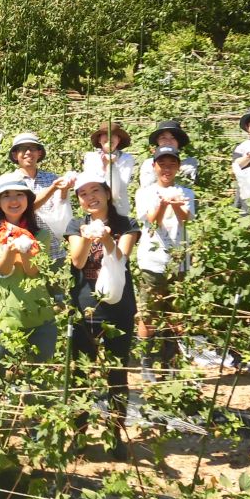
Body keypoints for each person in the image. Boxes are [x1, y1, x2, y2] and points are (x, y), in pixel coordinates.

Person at [65, 175, 140, 460]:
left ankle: (115, 436)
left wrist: (107, 238)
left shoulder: (126, 224)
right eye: (83, 194)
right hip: (85, 307)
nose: (89, 197)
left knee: (117, 374)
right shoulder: (76, 225)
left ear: (107, 193)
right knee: (82, 372)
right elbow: (78, 261)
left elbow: (121, 259)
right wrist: (86, 237)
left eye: (95, 190)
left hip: (119, 308)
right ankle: (79, 434)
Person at [134, 146, 196, 380]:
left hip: (180, 261)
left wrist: (176, 204)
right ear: (154, 167)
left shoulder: (186, 192)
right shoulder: (145, 193)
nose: (167, 169)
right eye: (162, 165)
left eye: (172, 165)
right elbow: (151, 223)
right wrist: (162, 204)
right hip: (153, 260)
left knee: (175, 313)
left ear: (178, 168)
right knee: (148, 312)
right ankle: (146, 362)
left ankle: (171, 361)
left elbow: (185, 219)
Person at [0, 177, 57, 363]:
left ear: (28, 200)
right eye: (6, 196)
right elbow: (3, 269)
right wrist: (13, 250)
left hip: (40, 318)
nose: (14, 200)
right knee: (4, 381)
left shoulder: (42, 235)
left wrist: (16, 253)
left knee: (38, 379)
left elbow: (32, 271)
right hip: (4, 319)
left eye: (19, 195)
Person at [7, 132, 73, 266]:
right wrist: (53, 188)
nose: (28, 152)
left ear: (39, 153)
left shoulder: (51, 178)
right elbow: (26, 209)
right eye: (23, 148)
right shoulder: (11, 181)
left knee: (55, 286)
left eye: (32, 148)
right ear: (15, 155)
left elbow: (60, 209)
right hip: (25, 249)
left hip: (54, 249)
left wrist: (64, 190)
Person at [81, 121, 136, 218]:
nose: (109, 138)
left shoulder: (127, 158)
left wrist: (112, 166)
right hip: (96, 206)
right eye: (105, 135)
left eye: (113, 135)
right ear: (99, 139)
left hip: (119, 208)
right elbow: (90, 182)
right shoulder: (90, 157)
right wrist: (104, 166)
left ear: (118, 139)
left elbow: (122, 185)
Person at [138, 120, 199, 188]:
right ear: (157, 141)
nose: (168, 141)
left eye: (173, 138)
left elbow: (187, 186)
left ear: (179, 141)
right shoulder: (149, 163)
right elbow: (146, 188)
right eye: (163, 137)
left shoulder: (189, 162)